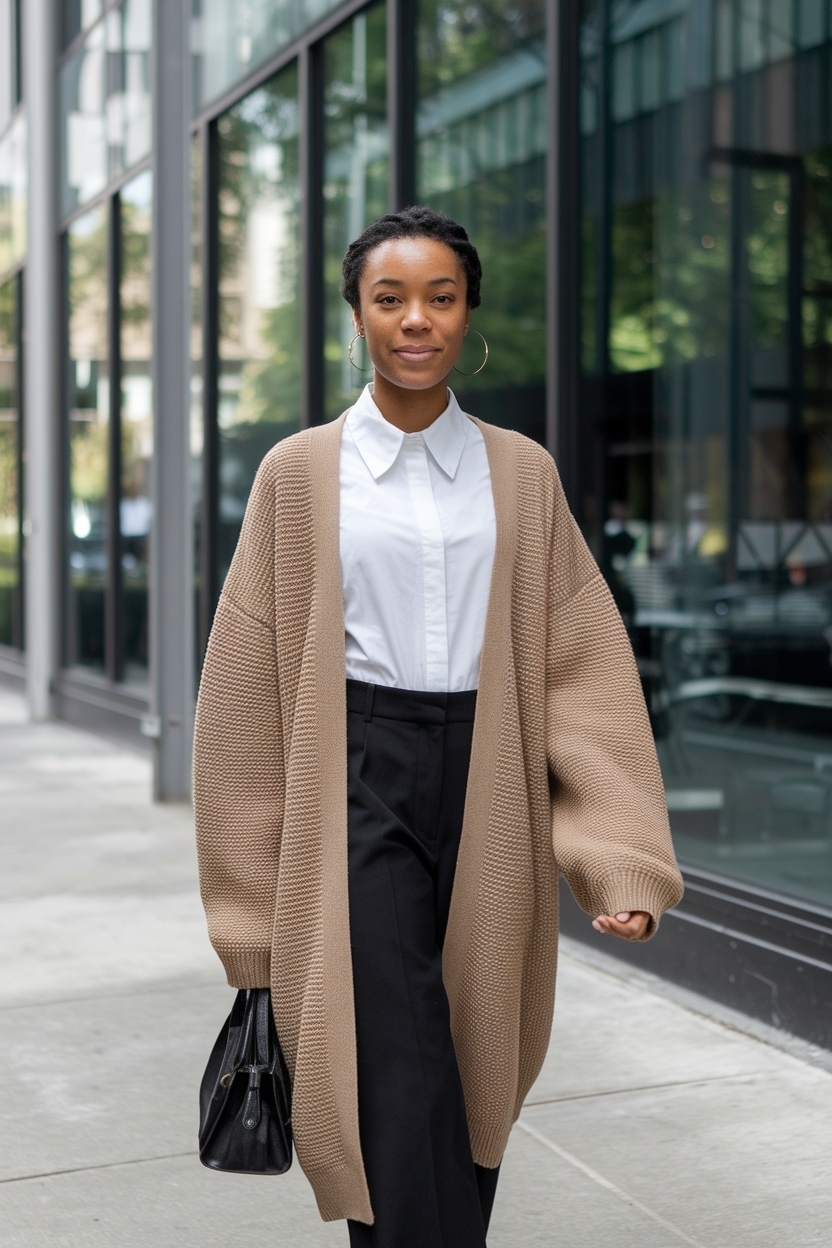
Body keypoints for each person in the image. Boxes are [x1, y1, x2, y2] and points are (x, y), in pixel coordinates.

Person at [193, 205, 683, 1247]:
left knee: (471, 1069)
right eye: (390, 299)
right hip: (353, 778)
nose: (416, 320)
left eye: (440, 297)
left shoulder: (521, 474)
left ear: (467, 314)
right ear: (357, 314)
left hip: (490, 779)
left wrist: (618, 859)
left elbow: (580, 669)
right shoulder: (298, 475)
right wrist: (246, 921)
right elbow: (241, 703)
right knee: (396, 1061)